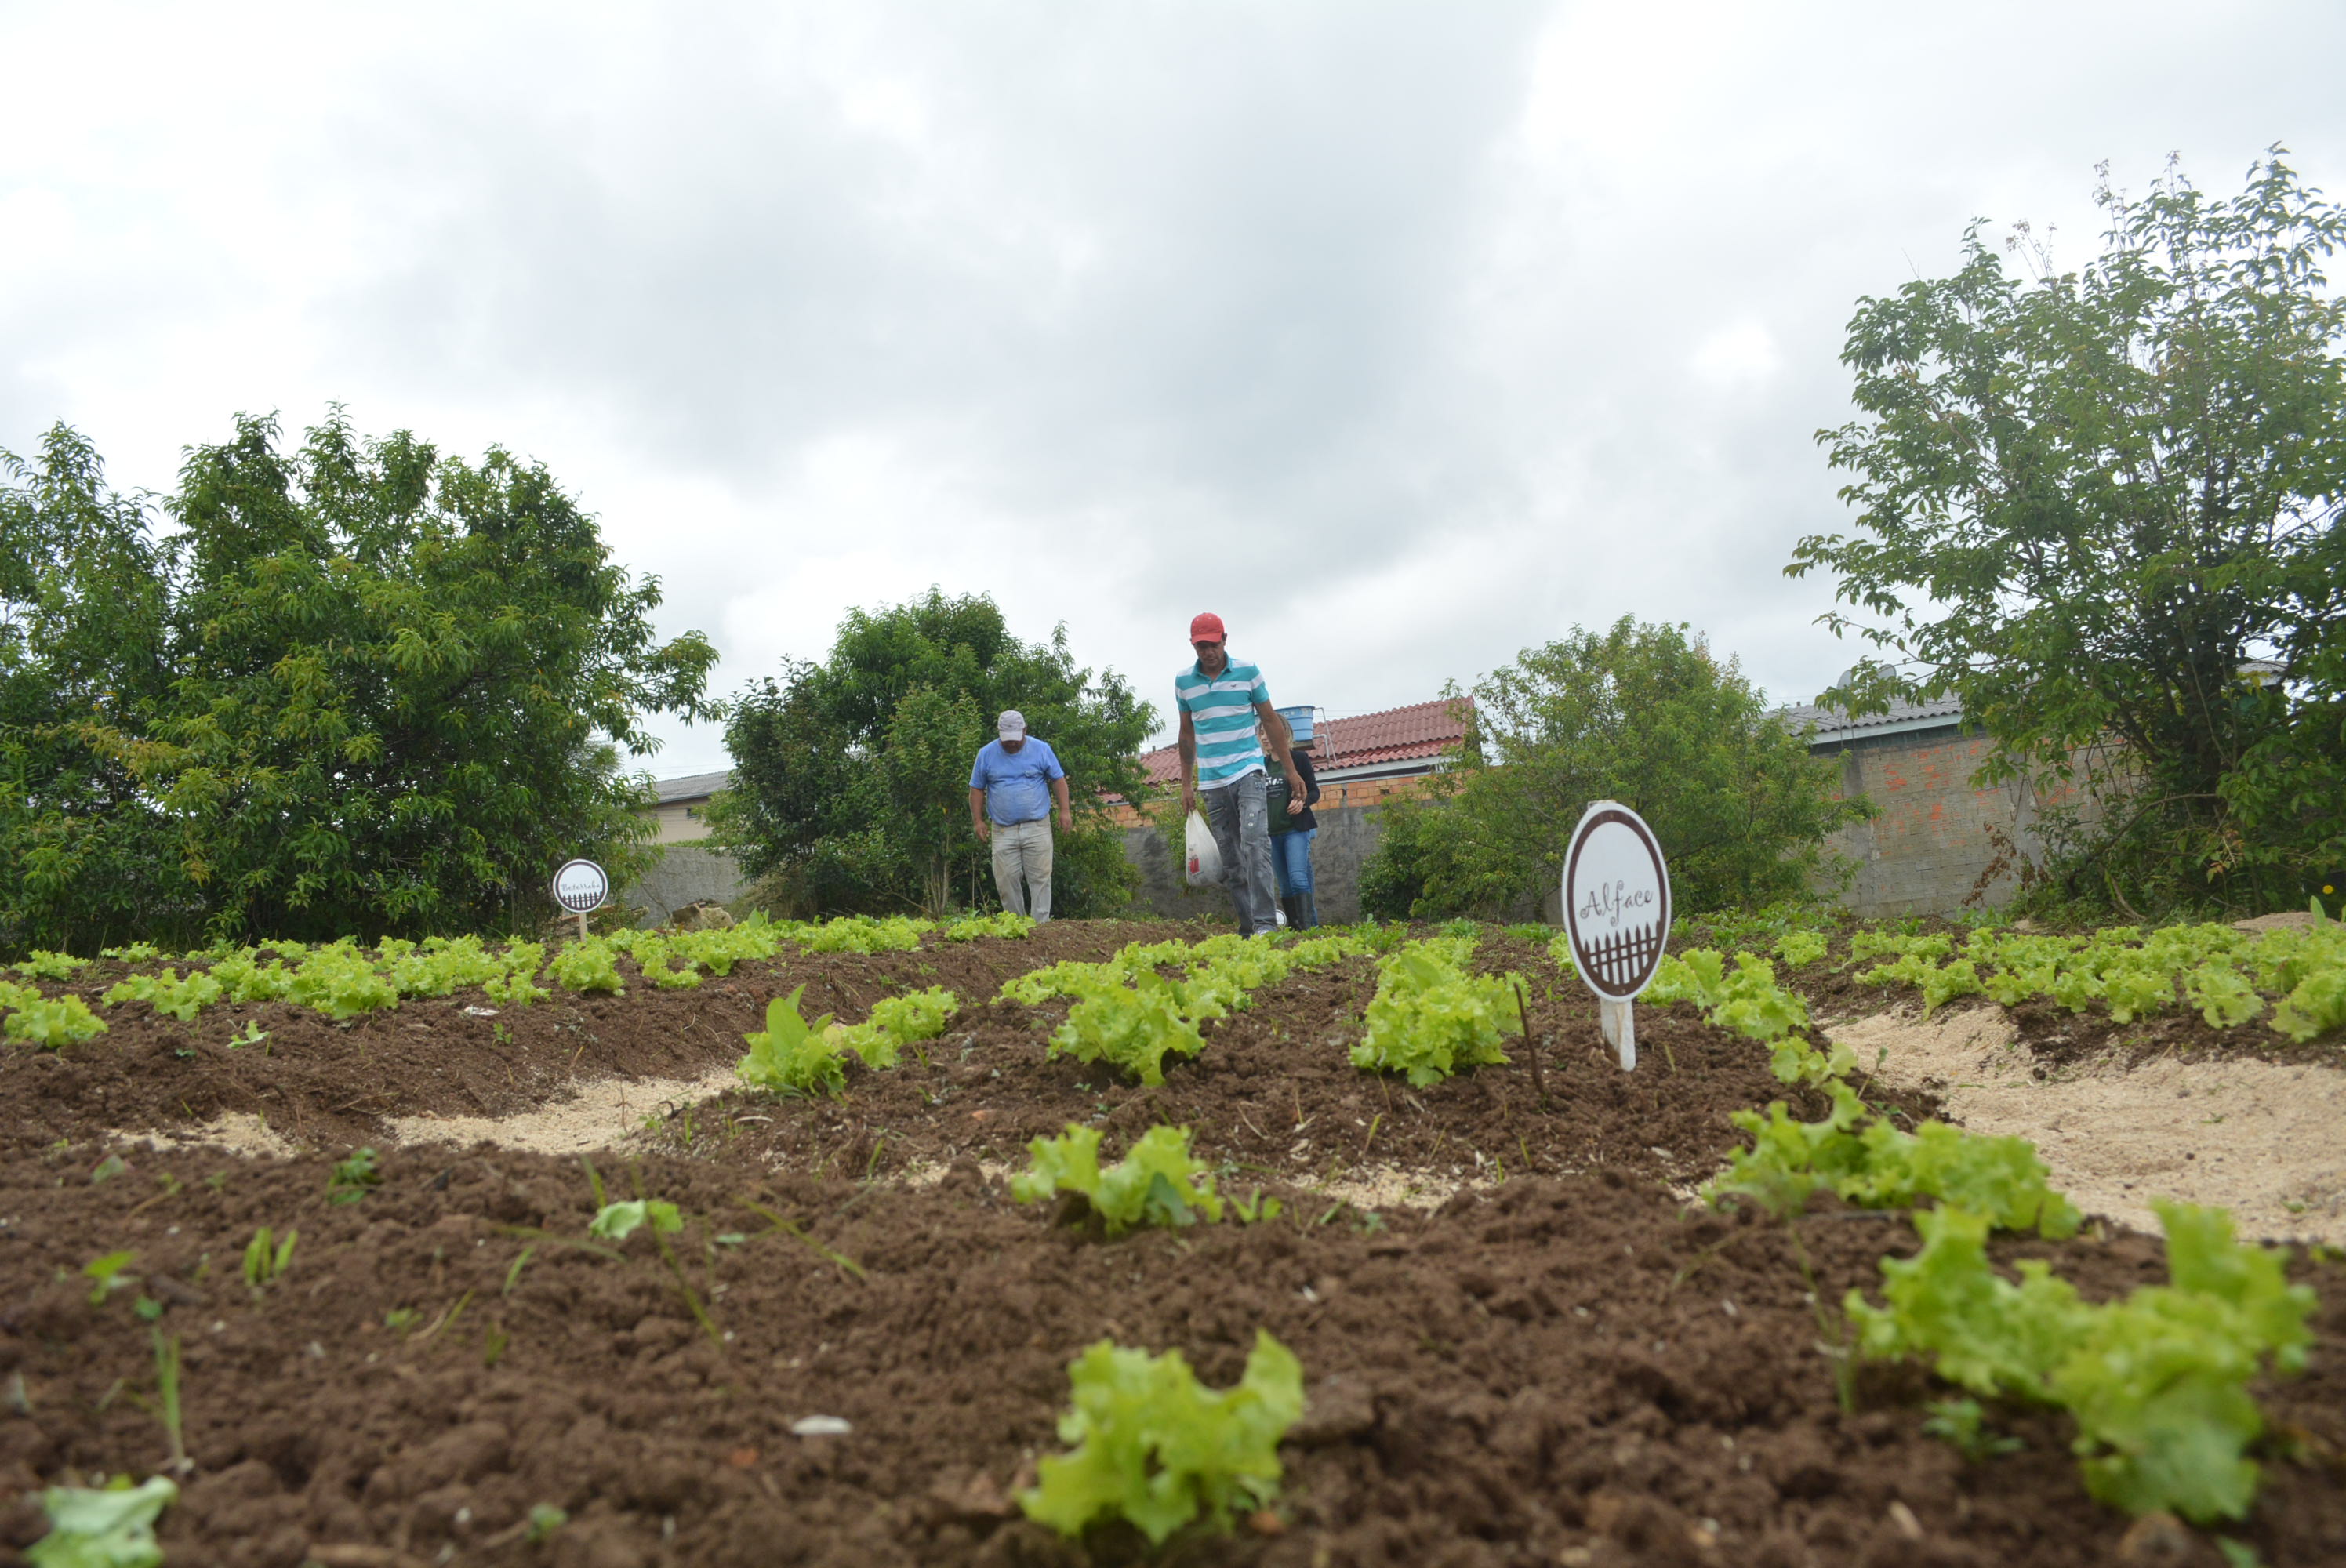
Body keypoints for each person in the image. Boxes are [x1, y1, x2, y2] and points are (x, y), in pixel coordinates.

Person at [1175, 613, 1306, 936]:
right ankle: (1248, 926)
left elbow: (1272, 722)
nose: (1208, 651)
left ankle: (1265, 924)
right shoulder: (1184, 683)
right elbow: (1186, 735)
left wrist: (1291, 771)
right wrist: (1186, 784)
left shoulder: (1249, 672)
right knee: (1231, 856)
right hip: (1212, 780)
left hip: (1248, 770)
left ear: (1225, 640)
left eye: (1213, 644)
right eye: (1201, 646)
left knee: (1254, 841)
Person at [968, 710, 1071, 922]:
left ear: (1024, 730)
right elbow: (976, 789)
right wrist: (978, 821)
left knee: (1041, 877)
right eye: (1007, 740)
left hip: (1037, 826)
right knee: (1006, 879)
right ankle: (1015, 924)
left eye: (1016, 739)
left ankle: (1040, 927)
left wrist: (1065, 811)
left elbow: (1058, 780)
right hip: (1003, 829)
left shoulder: (1041, 750)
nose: (1012, 744)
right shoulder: (986, 754)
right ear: (999, 733)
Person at [1266, 721, 1322, 930]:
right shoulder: (1261, 765)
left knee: (1298, 878)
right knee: (1285, 886)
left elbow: (1315, 792)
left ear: (1283, 734)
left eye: (1268, 731)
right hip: (1272, 834)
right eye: (1261, 732)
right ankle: (1295, 930)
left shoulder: (1298, 760)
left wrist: (1303, 802)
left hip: (1296, 830)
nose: (1264, 736)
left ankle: (1310, 929)